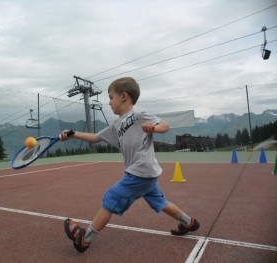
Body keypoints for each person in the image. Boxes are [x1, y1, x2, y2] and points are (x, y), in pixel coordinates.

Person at [61, 77, 199, 253]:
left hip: (140, 171)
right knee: (160, 202)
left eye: (111, 97)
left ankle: (84, 239)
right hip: (147, 174)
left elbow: (165, 125)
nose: (109, 102)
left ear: (124, 96)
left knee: (111, 197)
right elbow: (96, 138)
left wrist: (154, 128)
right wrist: (74, 134)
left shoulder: (138, 115)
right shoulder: (116, 125)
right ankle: (189, 222)